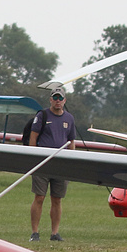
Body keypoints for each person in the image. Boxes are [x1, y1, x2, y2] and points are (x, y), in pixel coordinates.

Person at [27, 88, 78, 242]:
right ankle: (35, 232)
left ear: (64, 101)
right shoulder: (42, 116)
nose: (57, 100)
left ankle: (54, 233)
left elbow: (71, 142)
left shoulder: (69, 118)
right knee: (39, 197)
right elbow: (33, 138)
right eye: (55, 98)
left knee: (57, 199)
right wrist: (32, 157)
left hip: (60, 164)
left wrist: (71, 160)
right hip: (42, 162)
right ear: (50, 100)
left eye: (60, 98)